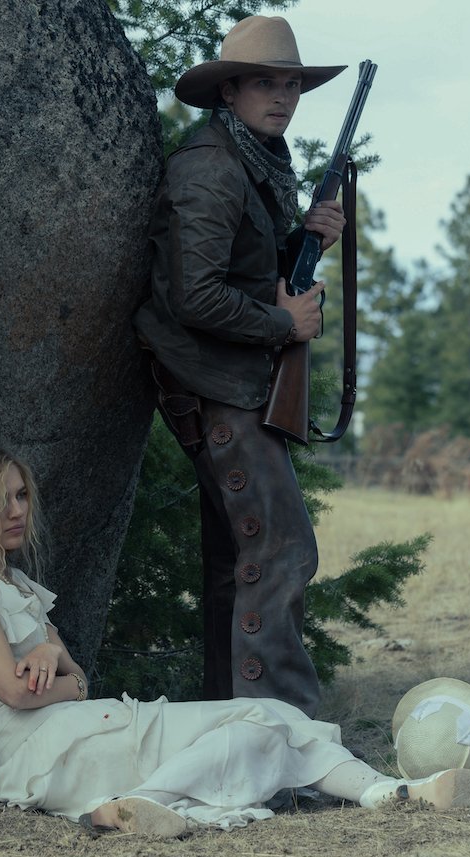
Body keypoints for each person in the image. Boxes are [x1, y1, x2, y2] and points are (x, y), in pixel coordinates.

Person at [0, 442, 470, 837]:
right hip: (47, 754)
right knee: (259, 724)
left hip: (83, 730)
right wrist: (65, 683)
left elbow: (77, 676)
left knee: (266, 720)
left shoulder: (16, 584)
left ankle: (391, 793)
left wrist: (52, 658)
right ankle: (151, 805)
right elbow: (15, 695)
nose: (16, 510)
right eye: (1, 499)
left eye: (21, 495)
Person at [133, 15, 348, 719]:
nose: (282, 97)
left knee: (240, 563)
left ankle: (232, 730)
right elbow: (194, 295)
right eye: (266, 82)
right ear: (230, 91)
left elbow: (242, 265)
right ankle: (281, 736)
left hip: (232, 377)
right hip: (210, 382)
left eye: (291, 85)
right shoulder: (211, 168)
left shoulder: (254, 157)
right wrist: (282, 323)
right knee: (281, 552)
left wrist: (302, 238)